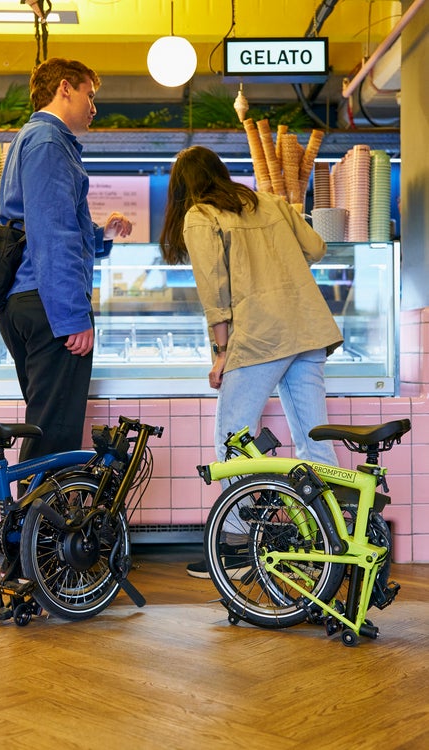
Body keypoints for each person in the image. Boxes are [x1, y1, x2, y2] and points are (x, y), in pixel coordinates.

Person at [159, 145, 343, 578]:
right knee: (313, 439)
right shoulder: (273, 202)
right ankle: (333, 537)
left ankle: (241, 545)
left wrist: (221, 352)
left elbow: (215, 292)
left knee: (231, 438)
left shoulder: (201, 216)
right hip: (307, 329)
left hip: (260, 336)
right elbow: (317, 248)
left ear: (183, 188)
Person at [0, 58, 132, 463]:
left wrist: (99, 234)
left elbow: (43, 222)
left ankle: (35, 524)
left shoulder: (32, 139)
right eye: (90, 95)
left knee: (46, 426)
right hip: (47, 305)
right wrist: (74, 317)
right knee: (54, 435)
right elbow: (51, 235)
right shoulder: (49, 142)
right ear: (65, 88)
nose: (94, 107)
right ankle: (36, 527)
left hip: (28, 301)